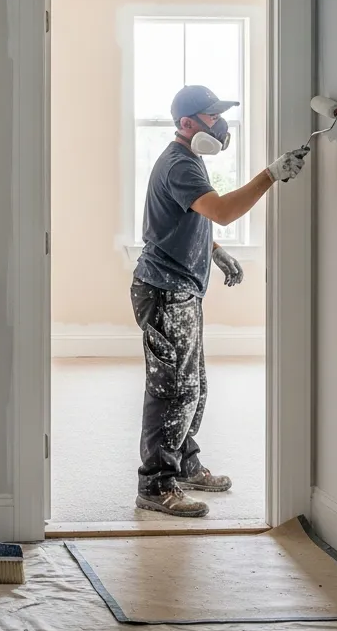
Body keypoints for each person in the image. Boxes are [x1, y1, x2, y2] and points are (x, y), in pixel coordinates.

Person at [131, 85, 309, 517]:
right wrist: (271, 174)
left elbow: (184, 219)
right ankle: (156, 485)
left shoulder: (188, 160)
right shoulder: (179, 164)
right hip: (165, 291)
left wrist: (215, 250)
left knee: (194, 386)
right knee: (173, 390)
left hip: (180, 289)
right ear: (187, 123)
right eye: (211, 117)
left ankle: (185, 464)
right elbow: (223, 211)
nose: (218, 124)